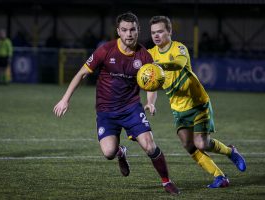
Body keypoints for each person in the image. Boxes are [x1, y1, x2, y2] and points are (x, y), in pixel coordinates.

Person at [53, 12, 180, 195]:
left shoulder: (144, 56)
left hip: (131, 108)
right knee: (108, 153)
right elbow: (81, 73)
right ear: (118, 31)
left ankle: (167, 182)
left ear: (138, 31)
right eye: (125, 30)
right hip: (106, 111)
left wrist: (150, 102)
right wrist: (65, 99)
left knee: (149, 145)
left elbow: (152, 83)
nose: (129, 34)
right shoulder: (105, 50)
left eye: (133, 30)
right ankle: (121, 152)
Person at [146, 16, 246, 188]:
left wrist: (160, 65)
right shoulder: (150, 54)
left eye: (160, 31)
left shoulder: (179, 48)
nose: (156, 35)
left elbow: (178, 63)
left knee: (202, 143)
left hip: (198, 103)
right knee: (187, 144)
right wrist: (151, 102)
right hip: (178, 109)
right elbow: (151, 83)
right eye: (153, 32)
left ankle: (231, 151)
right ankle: (219, 176)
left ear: (169, 31)